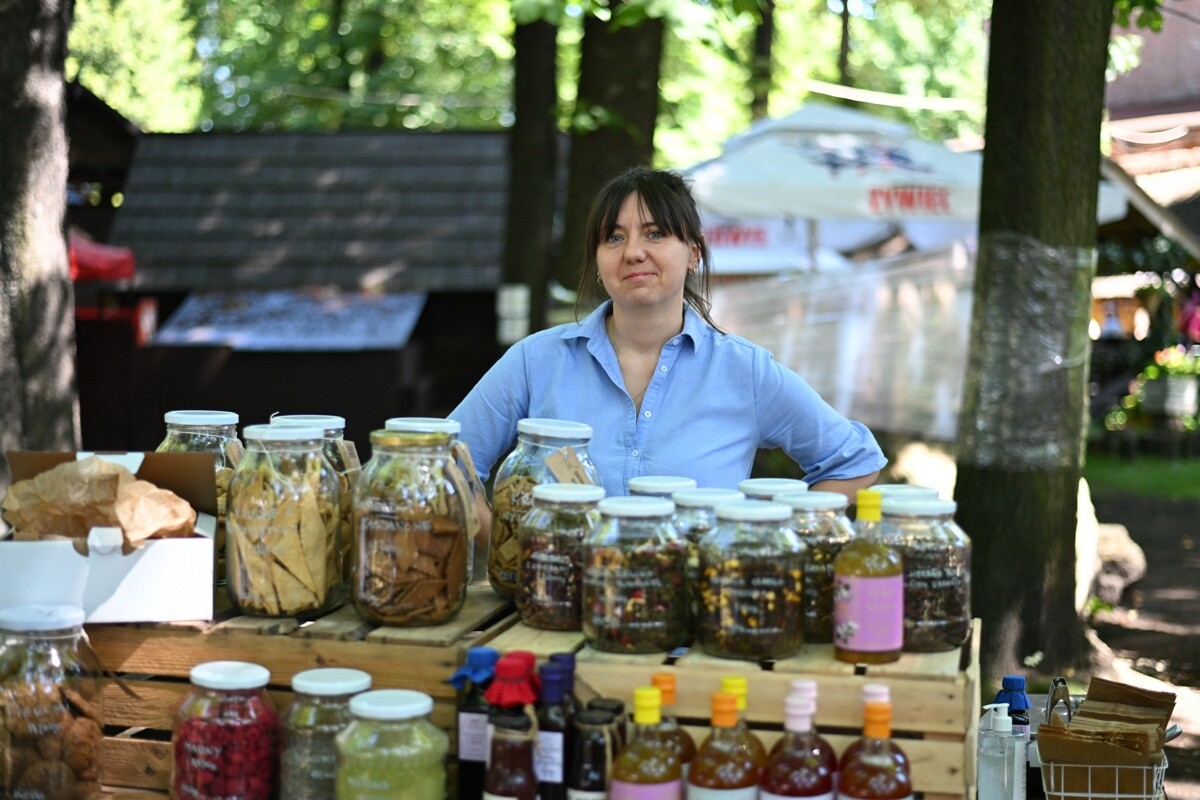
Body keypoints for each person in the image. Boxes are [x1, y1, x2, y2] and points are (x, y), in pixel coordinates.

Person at [449, 166, 885, 501]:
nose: (634, 252)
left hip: (699, 614)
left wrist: (773, 537)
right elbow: (446, 464)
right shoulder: (537, 361)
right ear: (598, 262)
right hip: (557, 610)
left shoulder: (744, 371)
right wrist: (507, 555)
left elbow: (855, 463)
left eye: (655, 233)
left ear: (693, 252)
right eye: (614, 238)